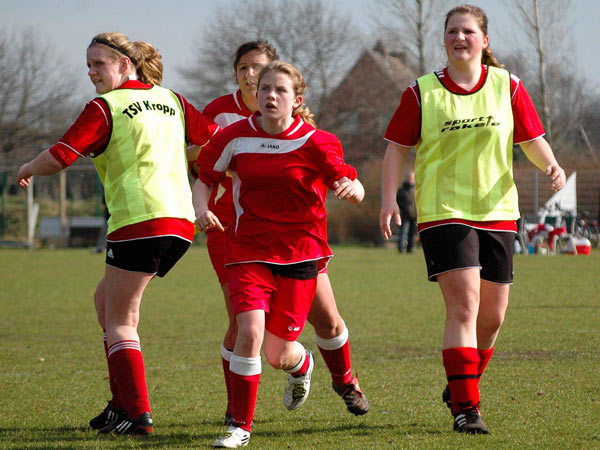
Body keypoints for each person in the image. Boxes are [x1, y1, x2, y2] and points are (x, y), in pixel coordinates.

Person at [17, 32, 219, 435]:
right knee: (105, 302)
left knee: (121, 320)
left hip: (138, 221)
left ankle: (138, 414)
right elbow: (214, 139)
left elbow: (61, 155)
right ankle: (119, 404)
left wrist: (27, 168)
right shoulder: (173, 100)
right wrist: (179, 156)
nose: (91, 72)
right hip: (180, 222)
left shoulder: (105, 106)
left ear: (125, 64)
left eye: (99, 64)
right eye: (88, 65)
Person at [379, 5, 566, 435]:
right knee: (464, 305)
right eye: (452, 31)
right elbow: (395, 149)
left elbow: (532, 138)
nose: (459, 38)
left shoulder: (507, 85)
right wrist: (389, 200)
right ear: (443, 39)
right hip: (443, 211)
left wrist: (551, 164)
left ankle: (461, 383)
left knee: (493, 317)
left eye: (467, 31)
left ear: (484, 40)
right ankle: (466, 409)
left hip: (498, 210)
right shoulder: (422, 92)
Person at [192, 41, 369, 427]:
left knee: (326, 322)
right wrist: (200, 208)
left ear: (296, 98)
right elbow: (204, 176)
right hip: (248, 245)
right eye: (261, 84)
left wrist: (353, 189)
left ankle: (342, 380)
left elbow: (350, 181)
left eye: (277, 87)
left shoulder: (316, 141)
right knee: (245, 327)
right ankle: (237, 416)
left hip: (302, 250)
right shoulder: (231, 131)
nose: (265, 90)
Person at [396, 170, 417, 253]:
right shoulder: (401, 190)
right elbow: (397, 201)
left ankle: (410, 249)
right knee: (404, 232)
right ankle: (401, 248)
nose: (411, 179)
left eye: (413, 177)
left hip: (415, 215)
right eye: (410, 177)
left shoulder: (417, 189)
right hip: (405, 215)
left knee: (413, 233)